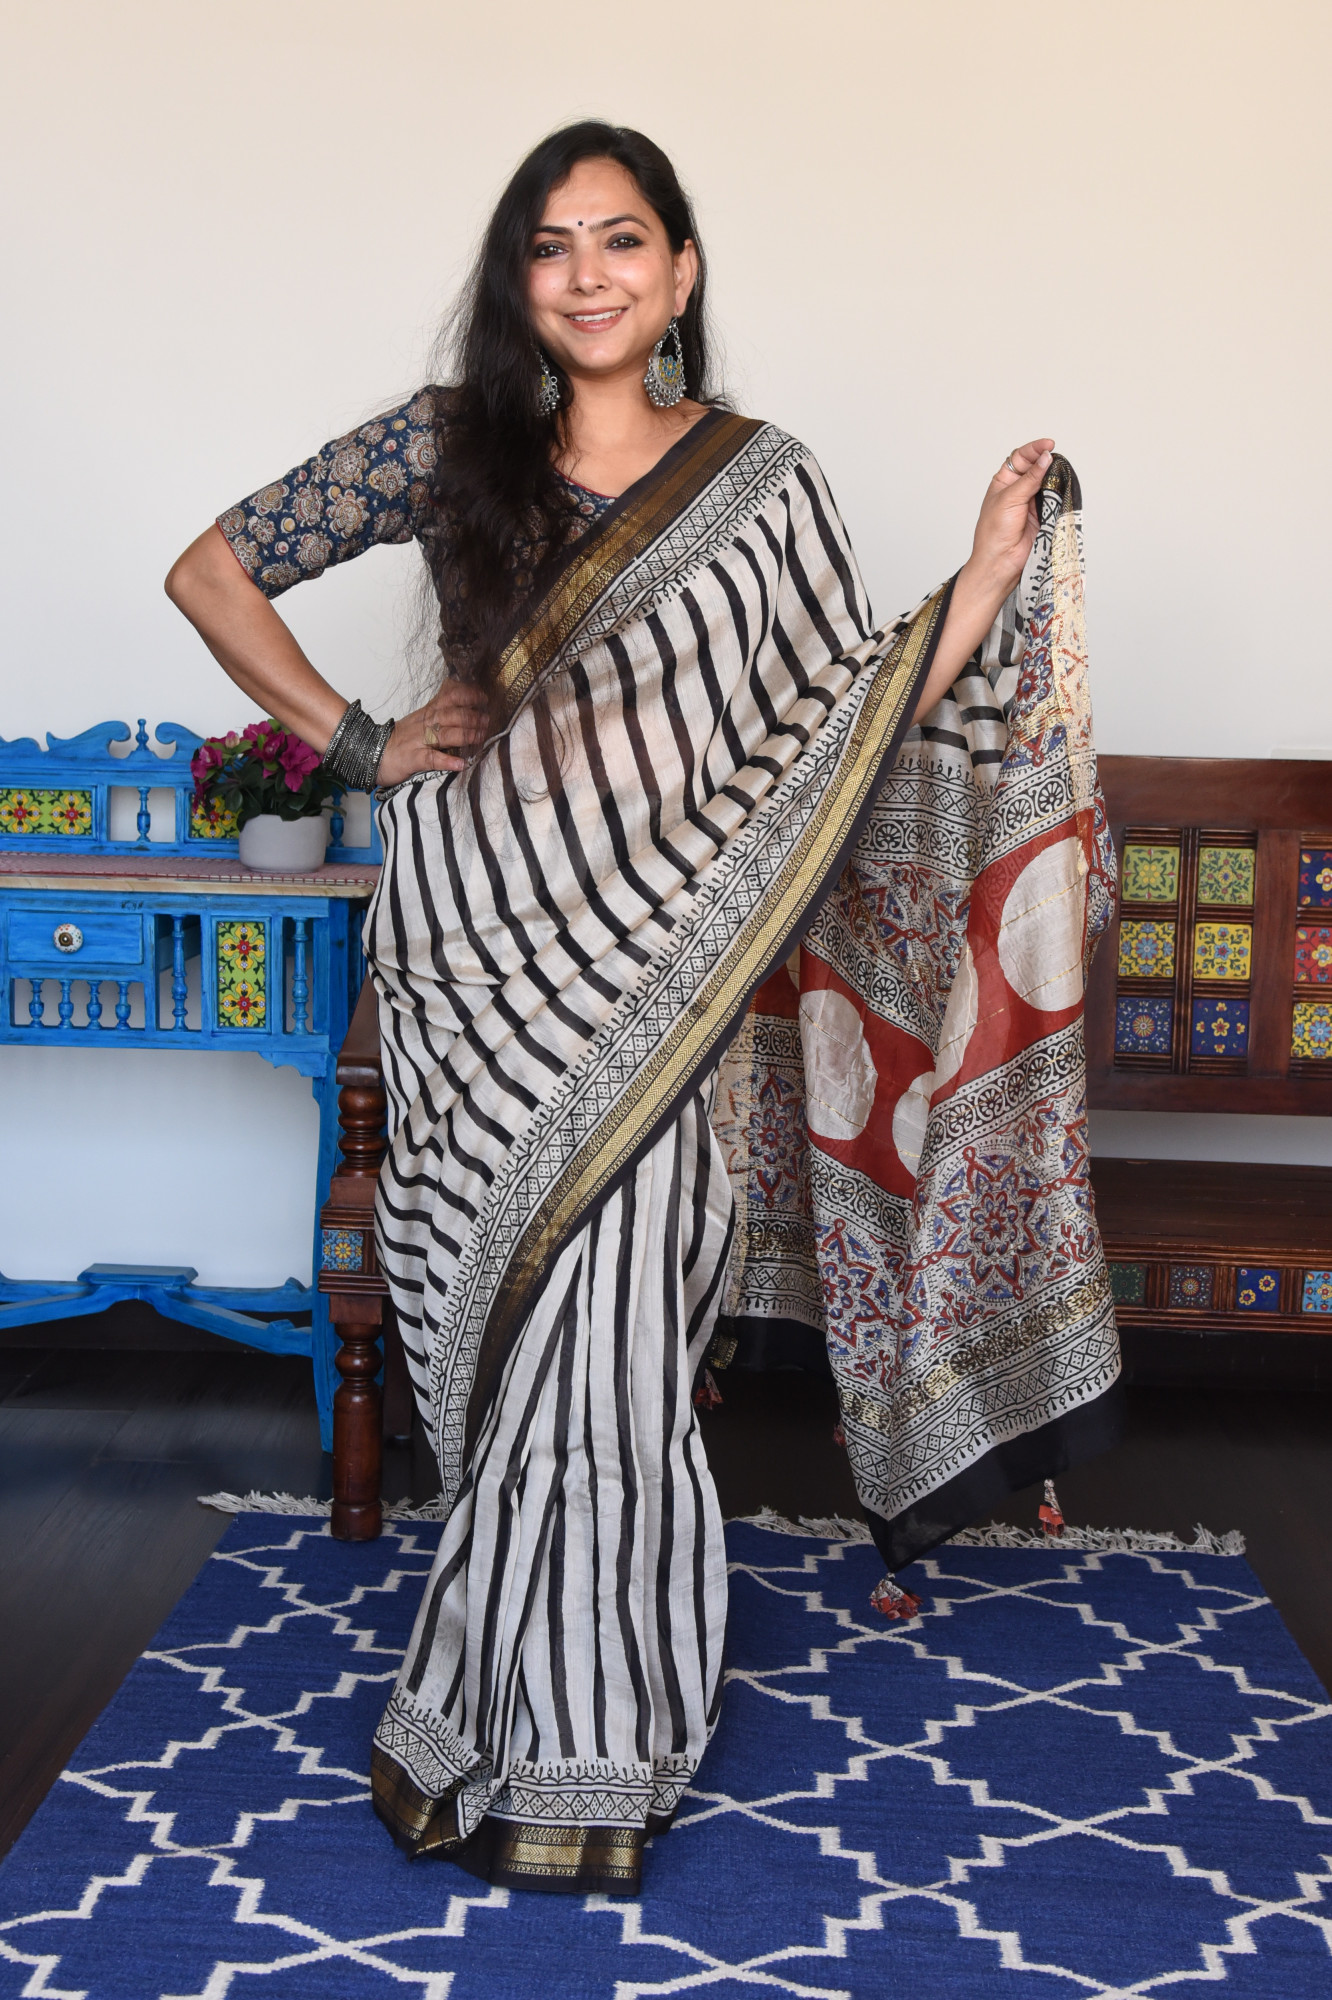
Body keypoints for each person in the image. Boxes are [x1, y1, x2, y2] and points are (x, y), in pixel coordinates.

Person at [166, 120, 1121, 1897]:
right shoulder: (449, 446)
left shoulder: (764, 484)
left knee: (610, 1349)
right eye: (552, 245)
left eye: (622, 239)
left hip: (656, 983)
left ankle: (585, 1738)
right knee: (511, 1347)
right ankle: (508, 1706)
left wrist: (987, 572)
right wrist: (364, 745)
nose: (588, 274)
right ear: (517, 281)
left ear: (680, 271)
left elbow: (841, 718)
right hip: (472, 961)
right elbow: (209, 570)